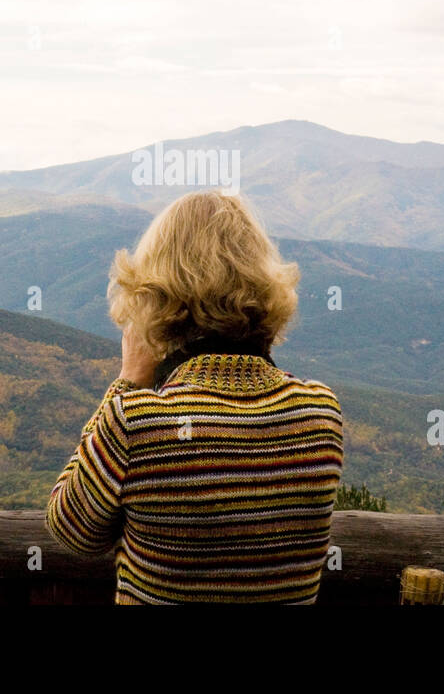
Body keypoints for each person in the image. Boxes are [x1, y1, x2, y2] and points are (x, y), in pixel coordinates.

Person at [46, 189, 344, 603]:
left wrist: (129, 379)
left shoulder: (137, 421)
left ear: (157, 294)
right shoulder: (321, 412)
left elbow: (71, 528)